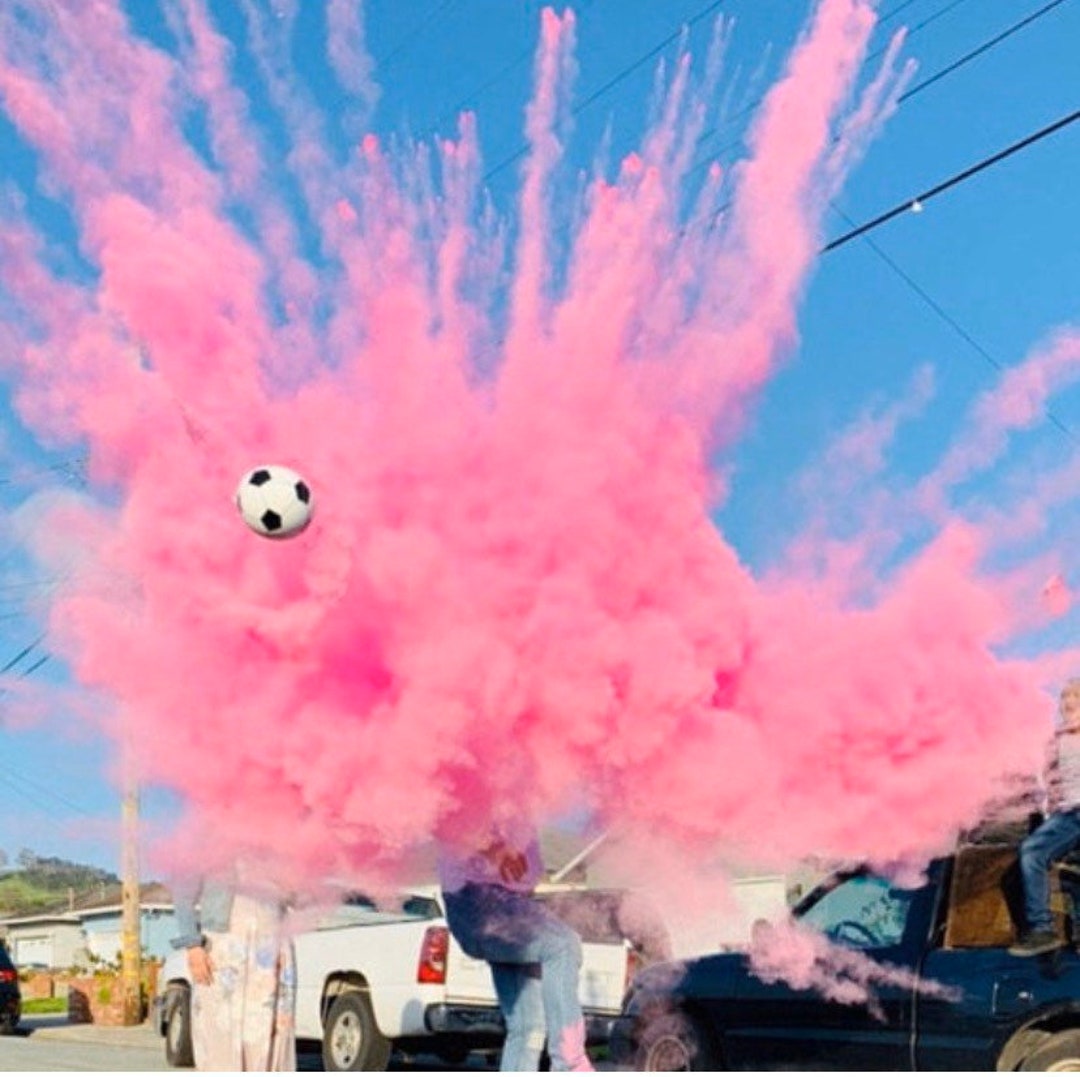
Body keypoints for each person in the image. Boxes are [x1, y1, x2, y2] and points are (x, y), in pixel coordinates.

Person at [438, 822, 594, 1072]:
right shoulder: (492, 786)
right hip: (481, 900)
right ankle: (570, 1064)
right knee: (563, 946)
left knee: (528, 1027)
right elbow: (449, 822)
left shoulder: (522, 797)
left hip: (509, 902)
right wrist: (498, 850)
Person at [170, 864, 296, 1070]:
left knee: (271, 1033)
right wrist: (193, 946)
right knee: (220, 1030)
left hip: (273, 946)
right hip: (224, 946)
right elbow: (183, 894)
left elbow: (297, 896)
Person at [1010, 678, 1080, 957]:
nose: (1067, 703)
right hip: (1066, 812)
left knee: (1032, 853)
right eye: (1064, 698)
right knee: (1067, 870)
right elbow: (1051, 784)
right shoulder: (1056, 740)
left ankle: (1041, 928)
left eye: (1073, 697)